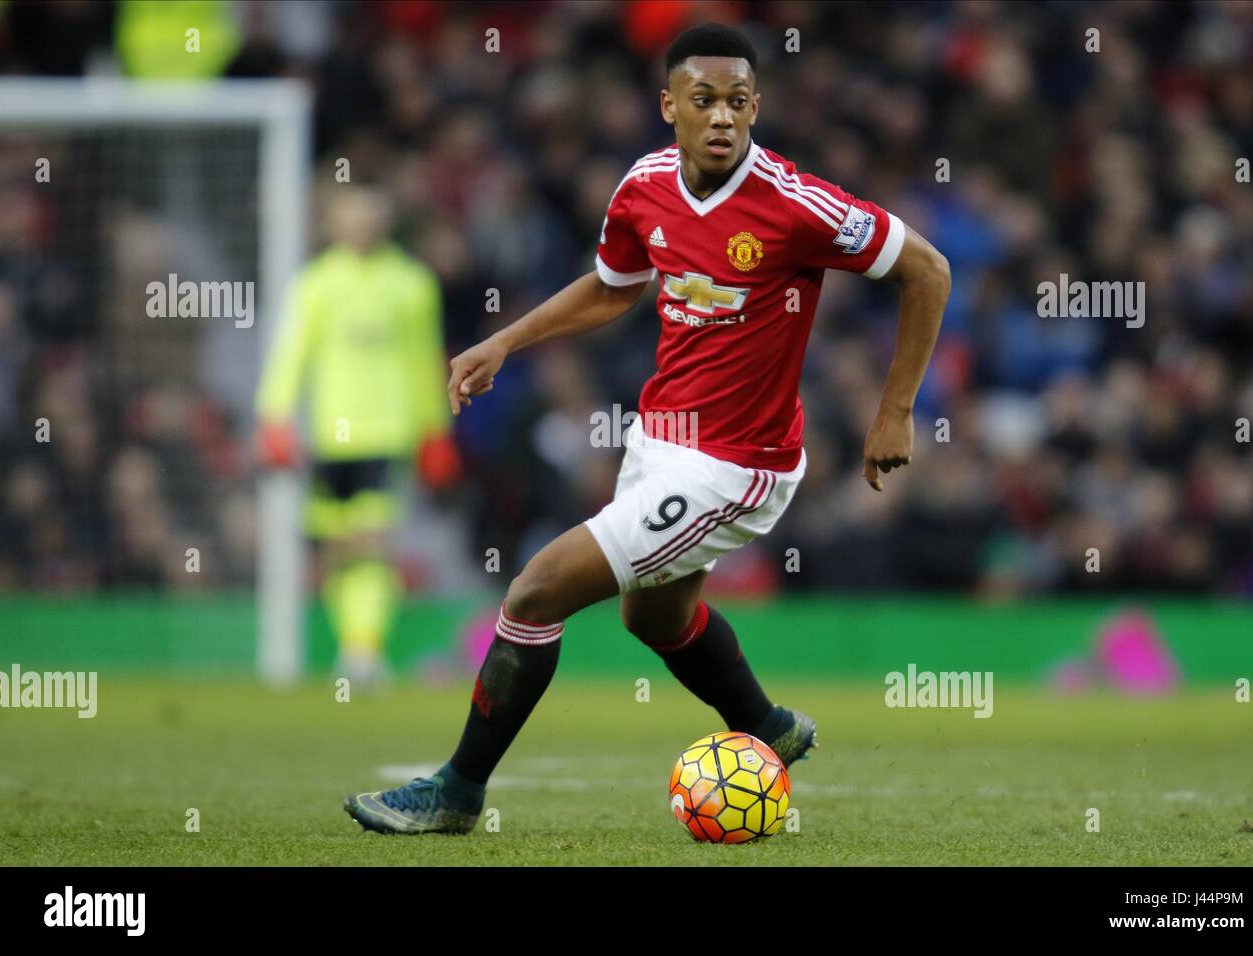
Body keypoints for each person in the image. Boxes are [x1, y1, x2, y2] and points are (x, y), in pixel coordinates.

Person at [344, 22, 949, 834]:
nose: (724, 117)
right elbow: (611, 286)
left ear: (757, 106)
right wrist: (503, 341)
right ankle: (767, 728)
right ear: (670, 106)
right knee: (653, 618)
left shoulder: (796, 204)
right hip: (658, 442)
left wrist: (896, 409)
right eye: (704, 100)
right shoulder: (644, 186)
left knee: (535, 590)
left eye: (739, 101)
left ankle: (457, 790)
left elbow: (928, 270)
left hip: (737, 467)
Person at [256, 186, 459, 685]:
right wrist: (275, 417)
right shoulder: (316, 283)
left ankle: (364, 649)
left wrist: (435, 429)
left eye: (368, 218)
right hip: (330, 435)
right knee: (336, 549)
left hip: (387, 431)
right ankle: (354, 645)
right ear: (334, 225)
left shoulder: (411, 284)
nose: (359, 227)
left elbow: (422, 359)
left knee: (371, 539)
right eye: (350, 218)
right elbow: (292, 353)